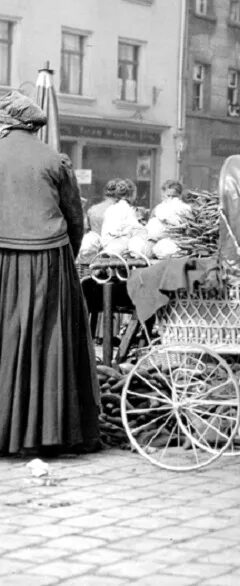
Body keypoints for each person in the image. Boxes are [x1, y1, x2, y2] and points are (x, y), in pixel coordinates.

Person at [0, 91, 99, 455]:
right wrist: (66, 258)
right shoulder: (55, 160)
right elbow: (76, 221)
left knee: (5, 340)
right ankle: (48, 432)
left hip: (2, 258)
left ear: (6, 121)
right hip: (49, 260)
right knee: (50, 344)